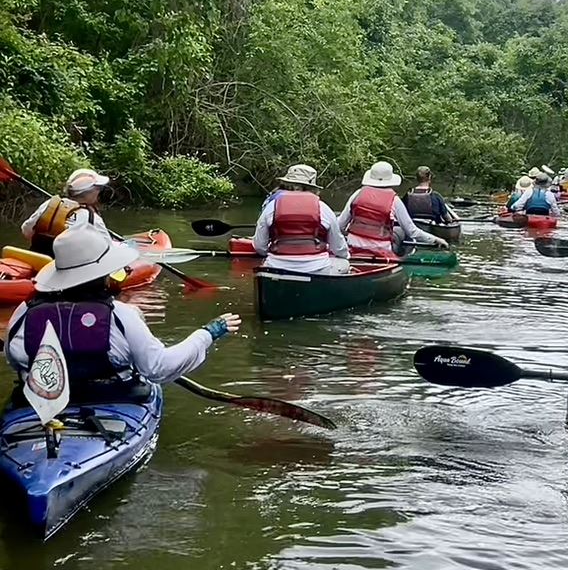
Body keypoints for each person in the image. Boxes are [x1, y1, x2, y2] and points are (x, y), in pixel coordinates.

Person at [5, 224, 241, 396]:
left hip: (39, 405)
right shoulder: (120, 315)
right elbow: (159, 368)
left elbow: (15, 359)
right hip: (110, 400)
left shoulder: (25, 311)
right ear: (103, 275)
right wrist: (208, 333)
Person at [252, 164, 350, 275]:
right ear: (312, 188)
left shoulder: (272, 207)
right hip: (317, 269)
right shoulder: (324, 208)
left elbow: (259, 246)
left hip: (277, 267)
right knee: (343, 262)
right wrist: (345, 255)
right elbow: (338, 247)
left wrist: (272, 254)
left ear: (288, 185)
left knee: (265, 263)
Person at [338, 161, 449, 258]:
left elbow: (340, 225)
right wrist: (435, 239)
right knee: (400, 231)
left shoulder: (357, 194)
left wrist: (354, 237)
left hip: (352, 246)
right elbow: (412, 231)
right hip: (381, 250)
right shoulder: (394, 200)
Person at [21, 168, 111, 255]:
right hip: (65, 267)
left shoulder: (49, 204)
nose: (99, 191)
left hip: (38, 257)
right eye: (98, 188)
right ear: (90, 192)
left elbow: (26, 230)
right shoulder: (93, 218)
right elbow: (109, 249)